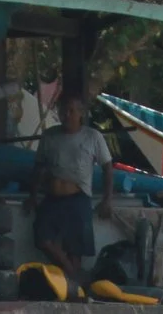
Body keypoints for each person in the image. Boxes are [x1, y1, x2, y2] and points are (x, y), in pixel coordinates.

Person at [32, 94, 113, 298]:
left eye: (71, 111)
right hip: (52, 197)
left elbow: (108, 167)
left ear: (81, 113)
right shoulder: (50, 136)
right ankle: (73, 274)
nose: (66, 115)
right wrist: (32, 194)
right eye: (63, 111)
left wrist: (107, 199)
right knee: (42, 237)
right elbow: (39, 168)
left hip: (78, 196)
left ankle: (72, 290)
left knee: (75, 246)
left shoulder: (93, 136)